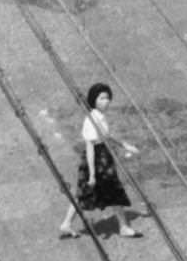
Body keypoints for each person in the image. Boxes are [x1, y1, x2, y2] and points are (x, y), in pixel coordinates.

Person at [58, 83, 141, 239]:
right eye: (102, 98)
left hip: (103, 156)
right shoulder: (91, 120)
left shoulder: (99, 117)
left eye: (108, 98)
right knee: (103, 191)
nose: (106, 101)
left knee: (97, 192)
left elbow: (106, 136)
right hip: (96, 160)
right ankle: (122, 227)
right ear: (93, 100)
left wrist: (125, 145)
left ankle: (67, 224)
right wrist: (92, 175)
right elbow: (90, 147)